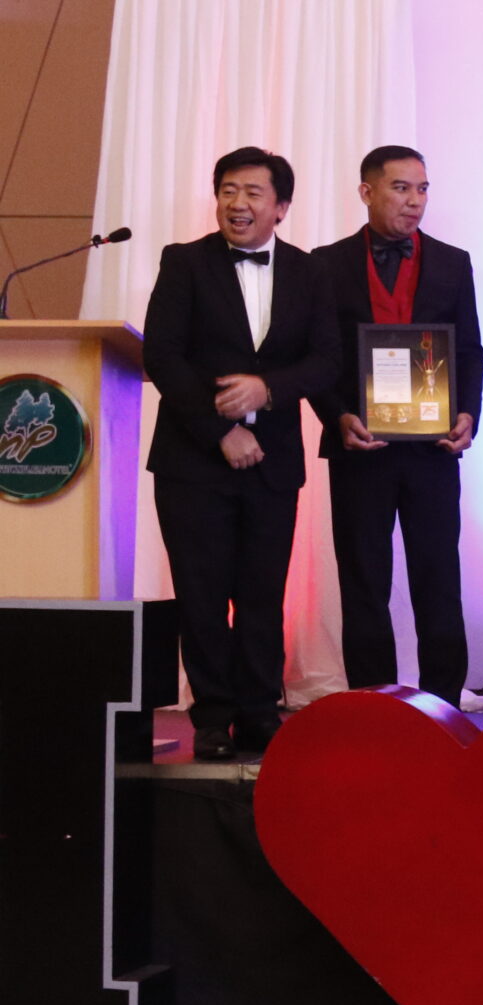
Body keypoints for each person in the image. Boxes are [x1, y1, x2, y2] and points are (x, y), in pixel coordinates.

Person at [142, 147, 337, 761]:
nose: (238, 203)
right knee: (200, 594)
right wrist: (220, 430)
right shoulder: (185, 263)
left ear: (281, 207)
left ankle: (258, 712)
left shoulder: (310, 273)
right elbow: (163, 357)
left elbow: (326, 358)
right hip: (192, 461)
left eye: (253, 192)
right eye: (228, 190)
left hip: (274, 461)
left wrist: (269, 389)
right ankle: (211, 716)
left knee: (261, 593)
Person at [308, 145, 483, 707]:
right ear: (367, 191)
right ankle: (373, 706)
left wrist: (468, 415)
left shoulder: (453, 262)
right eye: (401, 188)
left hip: (432, 449)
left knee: (439, 581)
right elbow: (317, 357)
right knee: (364, 584)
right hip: (359, 448)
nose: (415, 201)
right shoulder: (324, 263)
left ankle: (443, 705)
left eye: (423, 189)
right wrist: (338, 415)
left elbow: (471, 352)